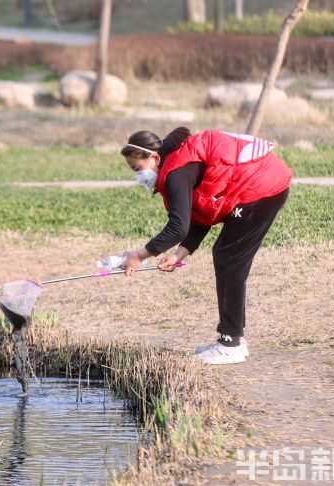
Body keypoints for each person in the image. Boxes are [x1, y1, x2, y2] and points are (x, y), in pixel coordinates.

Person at [120, 128, 291, 365]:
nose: (139, 176)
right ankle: (234, 340)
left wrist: (140, 255)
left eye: (138, 169)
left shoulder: (175, 174)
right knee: (227, 256)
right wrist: (180, 253)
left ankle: (230, 343)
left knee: (229, 257)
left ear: (155, 158)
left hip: (262, 186)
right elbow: (200, 215)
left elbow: (177, 228)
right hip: (261, 183)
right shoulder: (178, 162)